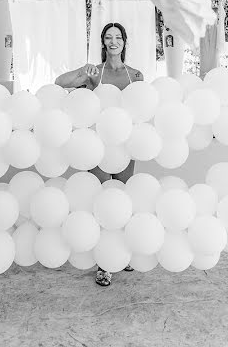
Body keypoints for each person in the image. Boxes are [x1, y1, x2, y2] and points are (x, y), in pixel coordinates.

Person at [56, 21, 143, 286]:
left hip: (125, 146)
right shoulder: (95, 72)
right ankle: (104, 264)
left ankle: (122, 254)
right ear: (104, 43)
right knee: (103, 201)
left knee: (123, 200)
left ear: (125, 42)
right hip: (98, 146)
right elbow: (59, 83)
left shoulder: (136, 75)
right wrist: (83, 71)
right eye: (108, 37)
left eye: (118, 37)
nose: (113, 41)